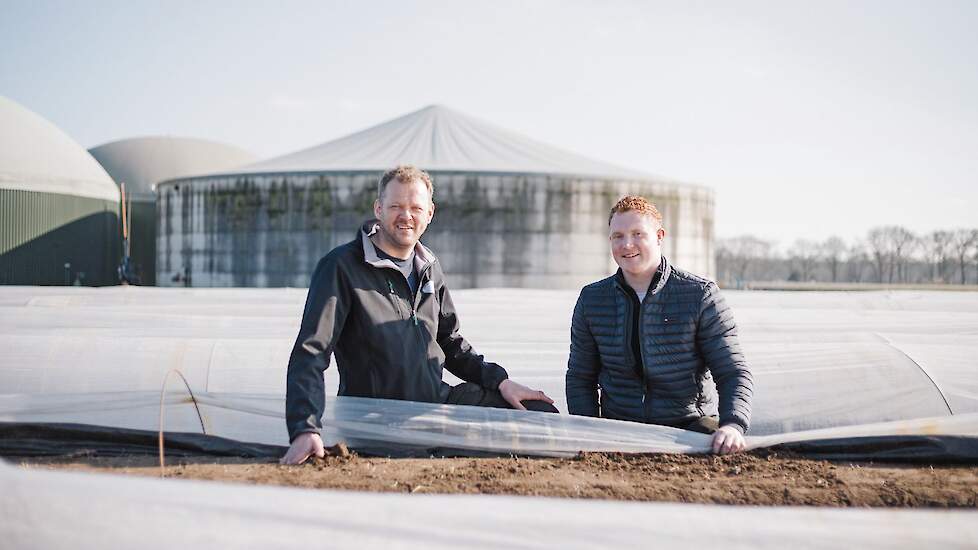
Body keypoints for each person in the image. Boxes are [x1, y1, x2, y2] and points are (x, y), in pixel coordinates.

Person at [282, 165, 557, 464]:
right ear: (378, 209)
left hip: (435, 405)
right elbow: (311, 352)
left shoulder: (428, 266)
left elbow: (449, 342)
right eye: (396, 206)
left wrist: (501, 382)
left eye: (416, 208)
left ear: (430, 213)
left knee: (540, 415)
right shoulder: (342, 267)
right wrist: (305, 428)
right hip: (379, 420)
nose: (406, 216)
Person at [565, 195, 753, 454]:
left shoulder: (700, 295)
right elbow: (580, 377)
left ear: (659, 236)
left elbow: (732, 371)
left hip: (689, 428)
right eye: (618, 236)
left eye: (638, 234)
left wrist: (733, 425)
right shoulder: (592, 299)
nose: (627, 244)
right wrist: (588, 429)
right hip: (619, 429)